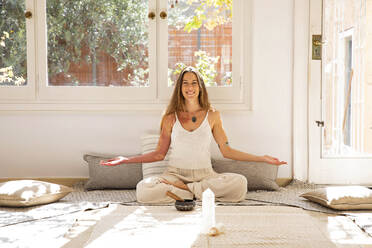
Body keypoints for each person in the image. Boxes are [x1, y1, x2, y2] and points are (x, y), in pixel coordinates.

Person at [100, 66, 287, 203]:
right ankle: (198, 194)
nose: (190, 87)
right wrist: (125, 160)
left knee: (240, 184)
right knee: (144, 189)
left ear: (200, 87)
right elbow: (158, 154)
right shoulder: (170, 118)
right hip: (175, 176)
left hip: (205, 176)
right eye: (185, 83)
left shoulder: (213, 115)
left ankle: (186, 192)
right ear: (180, 88)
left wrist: (261, 158)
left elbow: (227, 151)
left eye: (194, 83)